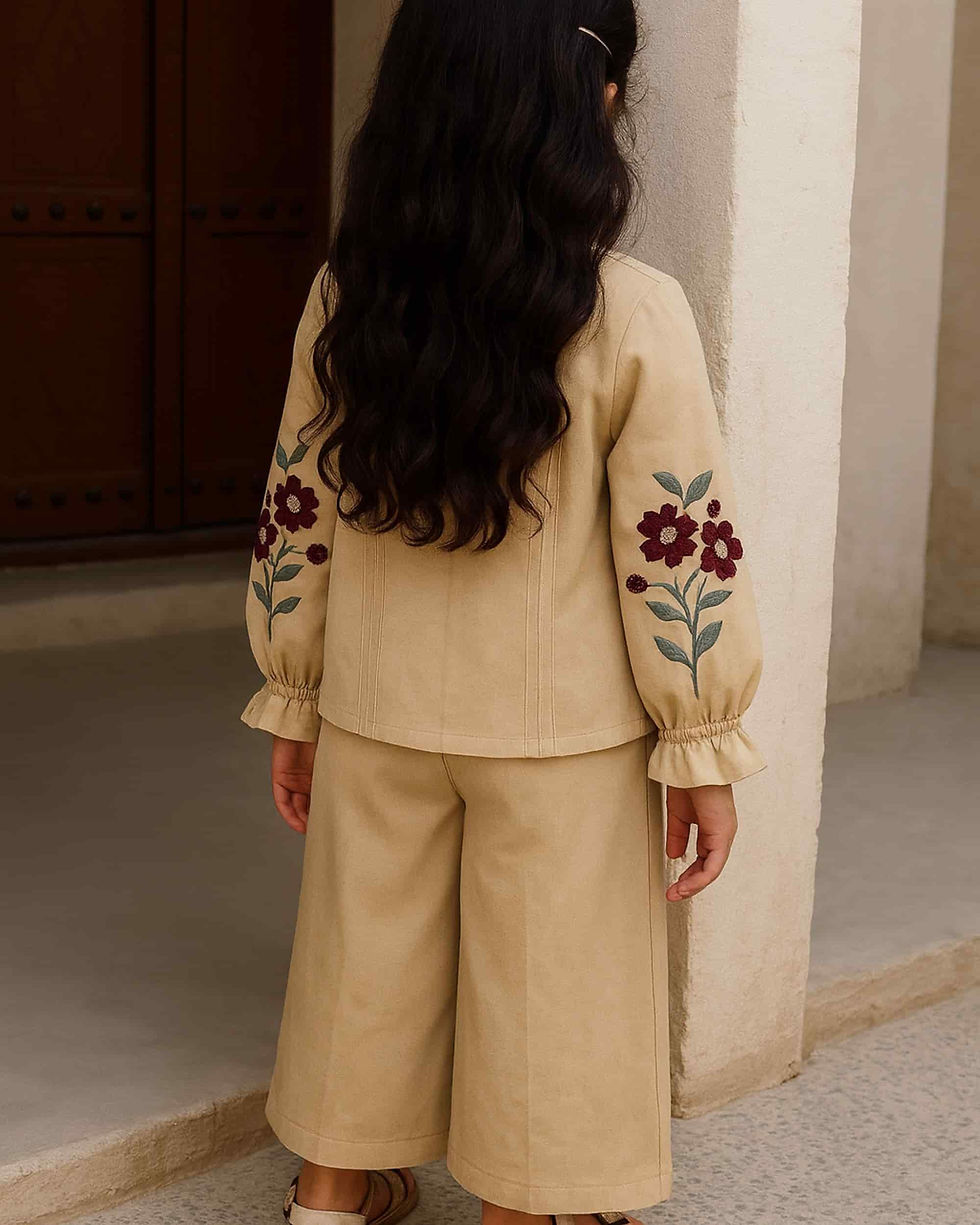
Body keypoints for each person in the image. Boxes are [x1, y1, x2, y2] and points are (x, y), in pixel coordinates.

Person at [241, 3, 765, 1224]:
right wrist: (701, 745)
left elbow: (295, 511)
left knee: (361, 956)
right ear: (589, 105)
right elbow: (678, 548)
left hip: (375, 707)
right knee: (556, 980)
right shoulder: (630, 309)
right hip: (562, 738)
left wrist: (297, 694)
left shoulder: (347, 297)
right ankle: (529, 1207)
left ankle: (329, 1191)